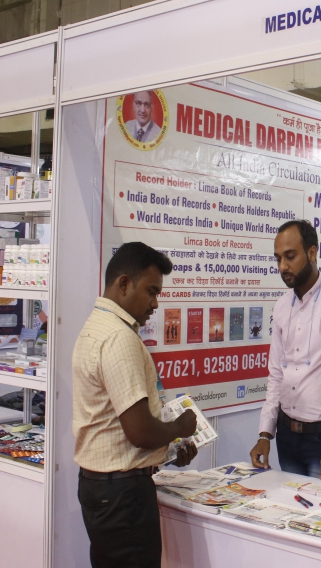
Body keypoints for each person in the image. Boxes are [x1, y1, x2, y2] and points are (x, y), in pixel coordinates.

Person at [73, 242, 198, 568]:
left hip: (103, 488)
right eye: (151, 292)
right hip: (123, 495)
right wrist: (180, 427)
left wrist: (169, 448)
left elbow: (116, 423)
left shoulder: (96, 325)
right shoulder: (118, 338)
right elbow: (139, 432)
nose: (156, 303)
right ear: (124, 283)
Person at [250, 220, 321, 482]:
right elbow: (276, 375)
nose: (283, 266)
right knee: (289, 505)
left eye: (290, 257)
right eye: (278, 258)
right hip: (286, 435)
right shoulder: (282, 306)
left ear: (312, 253)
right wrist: (265, 434)